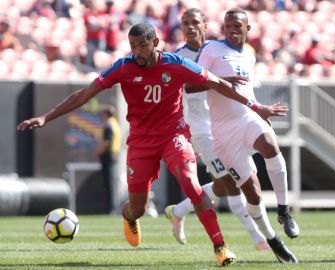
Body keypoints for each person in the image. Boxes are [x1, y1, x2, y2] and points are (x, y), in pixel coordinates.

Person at [17, 22, 285, 266]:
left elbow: (216, 83)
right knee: (138, 208)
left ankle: (220, 248)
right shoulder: (123, 67)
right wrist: (46, 117)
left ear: (155, 43)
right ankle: (130, 218)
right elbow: (85, 94)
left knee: (191, 184)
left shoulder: (176, 64)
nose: (137, 52)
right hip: (141, 142)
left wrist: (256, 106)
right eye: (133, 46)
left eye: (142, 46)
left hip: (174, 136)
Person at [193, 8, 299, 263]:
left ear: (247, 28)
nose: (231, 30)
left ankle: (284, 211)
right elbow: (190, 83)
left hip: (248, 117)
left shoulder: (249, 55)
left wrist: (260, 111)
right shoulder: (211, 50)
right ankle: (273, 239)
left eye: (236, 26)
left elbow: (245, 90)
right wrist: (219, 80)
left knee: (271, 145)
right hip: (223, 131)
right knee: (252, 193)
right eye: (227, 26)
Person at [164, 8, 269, 251]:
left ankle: (178, 210)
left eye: (195, 23)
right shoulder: (177, 58)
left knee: (227, 184)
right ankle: (260, 239)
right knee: (231, 183)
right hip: (202, 131)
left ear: (204, 26)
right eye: (186, 24)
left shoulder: (219, 50)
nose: (190, 27)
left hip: (229, 126)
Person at [97, 105, 121, 214]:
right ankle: (112, 208)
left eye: (103, 113)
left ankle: (109, 209)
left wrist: (99, 152)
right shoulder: (115, 123)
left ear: (106, 114)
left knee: (108, 183)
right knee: (111, 182)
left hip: (107, 156)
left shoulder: (108, 124)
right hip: (113, 155)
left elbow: (107, 142)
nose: (101, 115)